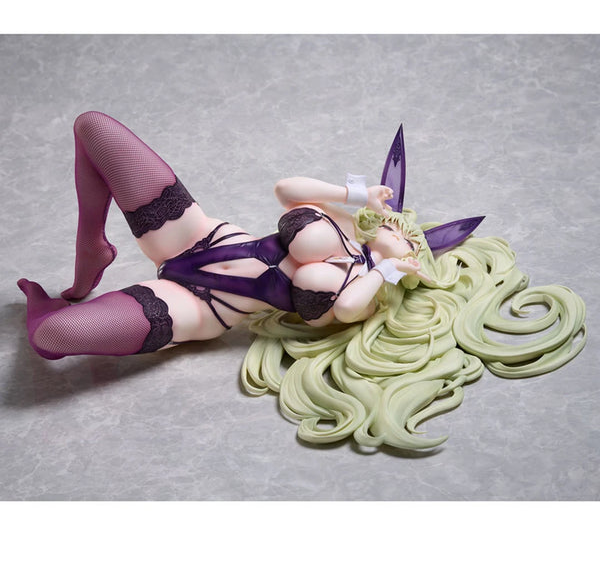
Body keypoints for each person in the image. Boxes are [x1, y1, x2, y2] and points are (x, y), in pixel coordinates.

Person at [17, 112, 586, 450]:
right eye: (401, 228)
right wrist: (357, 195)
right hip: (199, 235)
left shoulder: (368, 288)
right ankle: (91, 245)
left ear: (417, 264)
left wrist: (388, 271)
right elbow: (286, 189)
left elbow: (342, 312)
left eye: (414, 244)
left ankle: (46, 302)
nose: (402, 235)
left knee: (53, 336)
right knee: (94, 128)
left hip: (200, 305)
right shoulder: (342, 225)